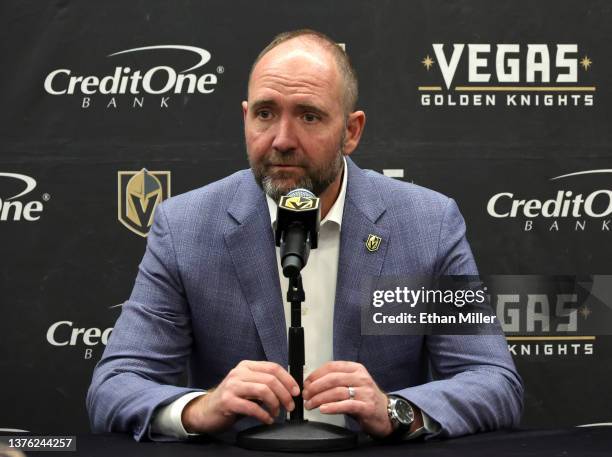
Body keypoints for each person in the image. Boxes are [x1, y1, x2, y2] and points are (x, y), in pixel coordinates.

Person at [87, 29, 523, 442]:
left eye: (309, 116)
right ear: (245, 118)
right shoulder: (184, 227)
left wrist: (394, 410)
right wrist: (198, 408)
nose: (281, 139)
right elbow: (113, 387)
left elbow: (493, 382)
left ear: (351, 132)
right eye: (265, 113)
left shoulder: (427, 225)